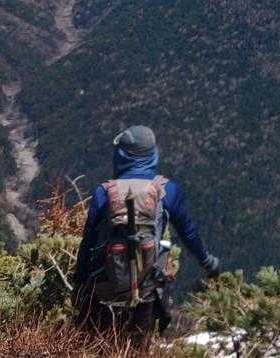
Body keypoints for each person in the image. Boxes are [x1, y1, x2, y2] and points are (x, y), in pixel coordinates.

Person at [72, 124, 222, 338]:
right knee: (138, 346)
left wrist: (79, 282)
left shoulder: (103, 193)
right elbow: (188, 233)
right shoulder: (167, 191)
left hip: (104, 289)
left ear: (122, 155)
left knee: (96, 345)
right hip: (147, 289)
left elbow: (88, 242)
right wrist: (208, 262)